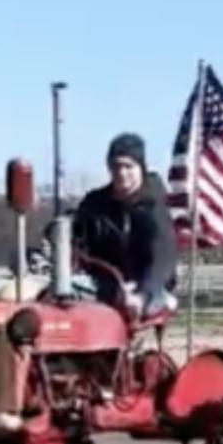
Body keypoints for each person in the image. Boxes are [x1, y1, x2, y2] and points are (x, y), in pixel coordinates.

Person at [70, 132, 178, 319]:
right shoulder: (93, 205)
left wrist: (144, 294)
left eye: (128, 166)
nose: (121, 173)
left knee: (144, 304)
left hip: (148, 286)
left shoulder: (154, 207)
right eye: (116, 166)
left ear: (140, 167)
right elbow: (77, 244)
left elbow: (162, 259)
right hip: (104, 284)